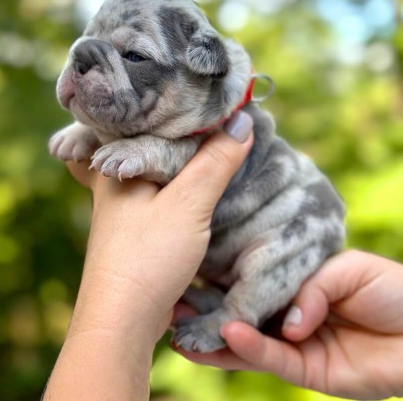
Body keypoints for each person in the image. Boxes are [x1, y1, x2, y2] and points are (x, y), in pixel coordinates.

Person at [42, 111, 403, 400]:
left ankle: (235, 310)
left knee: (269, 266)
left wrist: (120, 303)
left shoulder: (201, 117)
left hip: (283, 236)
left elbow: (175, 149)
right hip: (236, 262)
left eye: (136, 57)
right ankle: (225, 301)